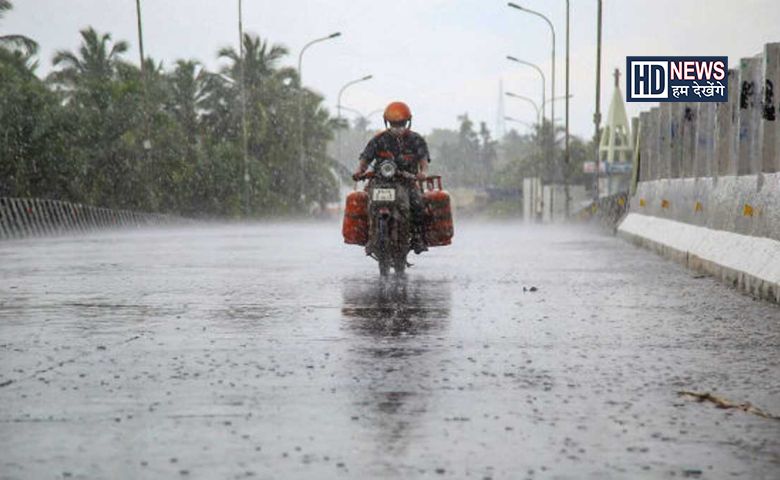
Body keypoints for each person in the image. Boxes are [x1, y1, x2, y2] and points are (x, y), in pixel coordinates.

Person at [352, 101, 429, 254]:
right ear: (388, 123)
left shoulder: (416, 140)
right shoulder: (378, 139)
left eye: (401, 123)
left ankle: (417, 237)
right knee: (369, 206)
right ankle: (370, 239)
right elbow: (365, 159)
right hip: (380, 182)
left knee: (418, 205)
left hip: (407, 182)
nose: (398, 127)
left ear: (408, 122)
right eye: (394, 124)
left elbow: (424, 161)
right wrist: (359, 170)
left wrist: (423, 173)